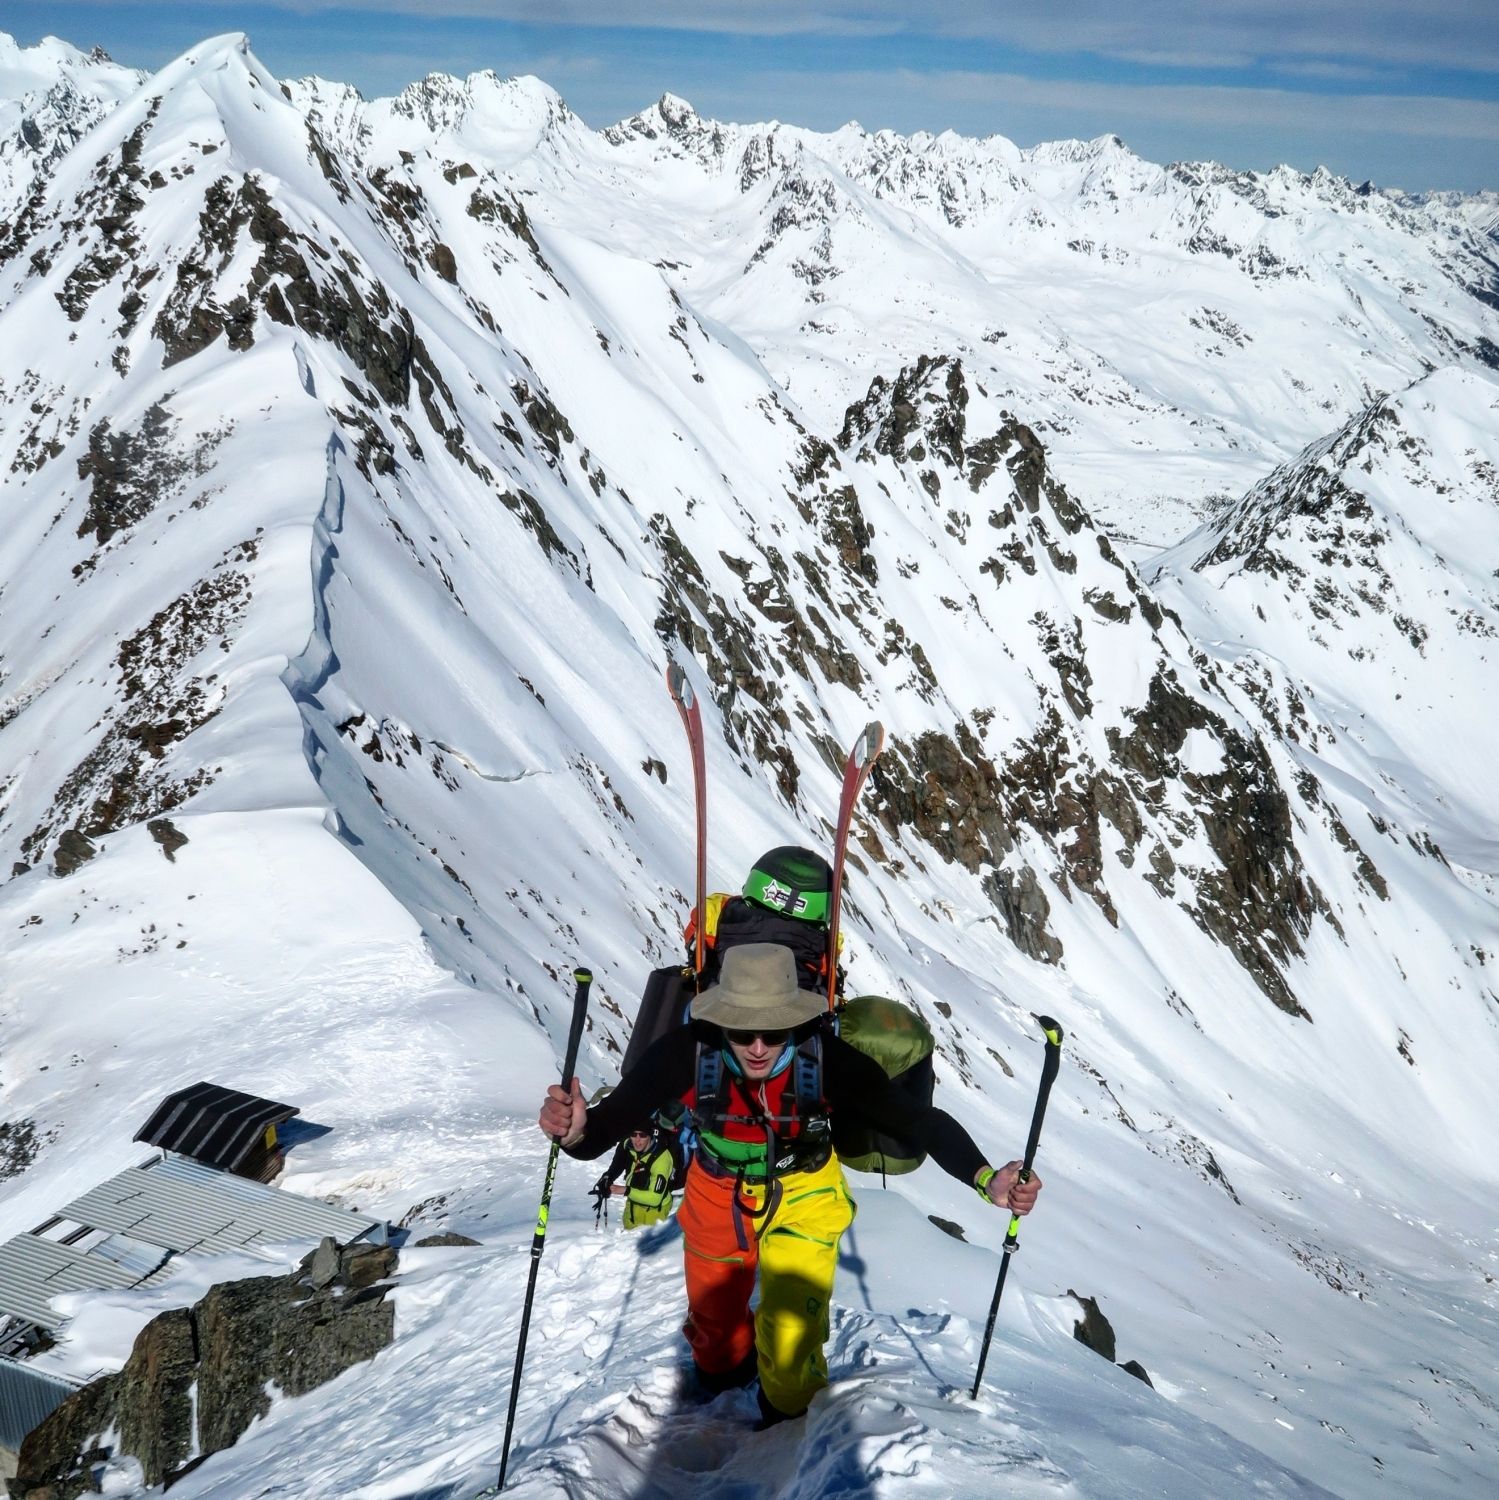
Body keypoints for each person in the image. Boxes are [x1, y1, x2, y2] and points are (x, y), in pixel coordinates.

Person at [539, 942, 1043, 1427]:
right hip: (717, 1190)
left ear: (797, 1022)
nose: (758, 1048)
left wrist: (984, 1178)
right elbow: (601, 1133)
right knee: (714, 1337)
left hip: (805, 1190)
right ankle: (726, 1384)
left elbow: (918, 1122)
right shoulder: (685, 1054)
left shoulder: (825, 1059)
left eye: (775, 1032)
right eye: (742, 1031)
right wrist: (575, 1129)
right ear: (720, 1020)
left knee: (789, 1340)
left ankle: (789, 1428)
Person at [592, 1120, 682, 1230]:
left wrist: (625, 1190)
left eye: (642, 1135)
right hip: (632, 1207)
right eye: (633, 1134)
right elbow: (617, 1165)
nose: (637, 1139)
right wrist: (607, 1178)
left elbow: (655, 1199)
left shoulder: (662, 1159)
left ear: (650, 1136)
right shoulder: (627, 1146)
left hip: (654, 1213)